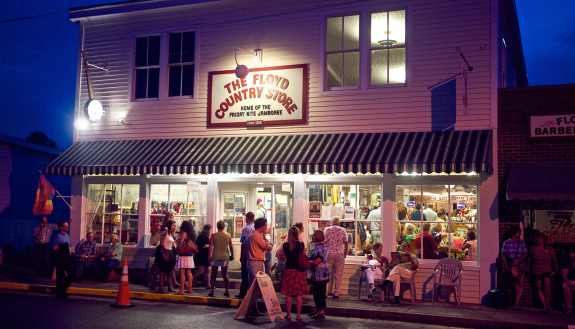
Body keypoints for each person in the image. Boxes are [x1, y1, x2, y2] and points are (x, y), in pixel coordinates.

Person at [280, 226, 307, 320]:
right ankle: (298, 315)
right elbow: (304, 254)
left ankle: (288, 314)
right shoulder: (301, 245)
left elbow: (282, 256)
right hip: (299, 271)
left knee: (289, 293)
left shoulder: (285, 245)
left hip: (289, 270)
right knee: (299, 294)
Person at [500, 225, 528, 310]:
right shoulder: (507, 242)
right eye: (519, 232)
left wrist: (519, 259)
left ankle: (516, 303)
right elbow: (503, 254)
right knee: (516, 277)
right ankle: (516, 301)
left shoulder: (521, 242)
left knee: (521, 283)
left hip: (521, 264)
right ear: (515, 233)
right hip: (512, 264)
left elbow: (526, 253)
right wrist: (506, 265)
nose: (520, 233)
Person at [529, 232, 557, 311]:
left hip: (546, 269)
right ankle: (544, 305)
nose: (537, 239)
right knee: (538, 287)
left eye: (539, 238)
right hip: (536, 269)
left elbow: (554, 260)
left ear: (543, 239)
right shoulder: (533, 248)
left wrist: (555, 269)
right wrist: (528, 268)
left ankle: (548, 303)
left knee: (547, 285)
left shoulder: (549, 248)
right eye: (536, 238)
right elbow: (529, 258)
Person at [242, 217, 273, 290]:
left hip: (251, 261)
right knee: (257, 284)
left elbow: (244, 244)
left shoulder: (252, 234)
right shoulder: (257, 236)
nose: (266, 227)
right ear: (261, 226)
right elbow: (267, 247)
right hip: (256, 262)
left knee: (252, 283)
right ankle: (252, 300)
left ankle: (252, 300)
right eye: (265, 225)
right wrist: (268, 241)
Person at [324, 216, 348, 298]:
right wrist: (345, 253)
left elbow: (324, 242)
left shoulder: (327, 230)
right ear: (339, 222)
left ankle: (325, 292)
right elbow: (346, 243)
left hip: (329, 254)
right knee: (338, 275)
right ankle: (336, 292)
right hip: (339, 253)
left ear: (331, 222)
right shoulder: (342, 230)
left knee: (326, 274)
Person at [208, 220, 233, 297]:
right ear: (224, 227)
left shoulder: (213, 235)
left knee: (213, 274)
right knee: (225, 274)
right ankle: (226, 290)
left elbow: (210, 246)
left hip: (215, 256)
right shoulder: (228, 235)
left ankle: (212, 291)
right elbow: (231, 246)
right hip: (225, 256)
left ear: (217, 227)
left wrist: (209, 255)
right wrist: (232, 254)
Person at [308, 229, 330, 319]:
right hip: (319, 274)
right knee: (316, 293)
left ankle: (321, 312)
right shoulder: (320, 246)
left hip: (320, 274)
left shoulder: (319, 248)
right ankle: (317, 310)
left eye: (313, 235)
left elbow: (317, 261)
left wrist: (307, 263)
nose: (312, 236)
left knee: (319, 293)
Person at [53, 220, 75, 298]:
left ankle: (63, 289)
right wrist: (64, 245)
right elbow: (54, 247)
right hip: (60, 258)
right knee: (60, 276)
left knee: (71, 274)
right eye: (65, 226)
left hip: (67, 257)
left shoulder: (67, 236)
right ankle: (60, 292)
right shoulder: (58, 236)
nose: (67, 227)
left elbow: (69, 247)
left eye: (67, 225)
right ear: (61, 227)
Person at [236, 212, 255, 298]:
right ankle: (254, 293)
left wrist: (241, 255)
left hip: (247, 254)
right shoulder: (256, 228)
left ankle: (243, 292)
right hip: (254, 255)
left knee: (244, 274)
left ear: (247, 218)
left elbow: (243, 243)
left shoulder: (245, 229)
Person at [175, 220, 196, 295]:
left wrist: (176, 239)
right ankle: (189, 288)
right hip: (189, 255)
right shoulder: (191, 234)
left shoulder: (184, 233)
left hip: (183, 255)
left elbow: (180, 242)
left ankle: (181, 290)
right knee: (189, 272)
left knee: (182, 272)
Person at [156, 220, 176, 293]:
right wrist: (165, 235)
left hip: (170, 253)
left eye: (175, 225)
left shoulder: (171, 234)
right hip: (164, 253)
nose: (174, 227)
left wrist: (175, 244)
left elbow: (172, 243)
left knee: (169, 271)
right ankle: (160, 288)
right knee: (162, 271)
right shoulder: (164, 233)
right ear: (170, 225)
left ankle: (169, 287)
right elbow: (161, 243)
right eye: (173, 225)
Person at [193, 224, 212, 290]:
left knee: (208, 269)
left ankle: (208, 285)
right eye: (210, 229)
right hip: (202, 256)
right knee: (201, 271)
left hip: (202, 256)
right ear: (208, 230)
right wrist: (210, 245)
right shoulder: (203, 237)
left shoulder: (201, 235)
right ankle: (188, 281)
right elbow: (203, 246)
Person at [562, 246, 575, 315]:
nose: (570, 254)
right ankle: (569, 308)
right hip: (569, 280)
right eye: (570, 252)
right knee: (566, 289)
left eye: (572, 253)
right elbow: (564, 275)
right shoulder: (567, 262)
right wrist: (569, 284)